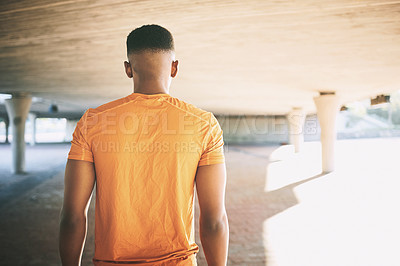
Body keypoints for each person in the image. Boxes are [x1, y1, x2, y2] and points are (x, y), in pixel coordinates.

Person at [59, 24, 229, 266]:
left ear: (128, 69)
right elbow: (214, 221)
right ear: (174, 67)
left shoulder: (93, 122)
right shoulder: (204, 125)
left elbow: (73, 217)